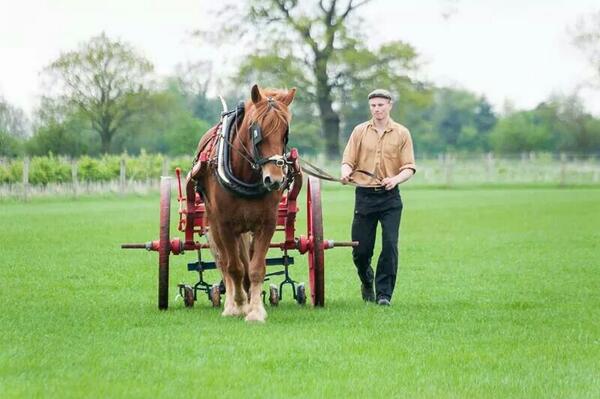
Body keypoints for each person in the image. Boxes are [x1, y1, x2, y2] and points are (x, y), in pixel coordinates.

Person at [340, 89, 416, 306]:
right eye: (373, 106)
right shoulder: (359, 131)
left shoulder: (402, 133)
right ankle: (366, 279)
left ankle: (384, 295)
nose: (377, 109)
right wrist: (345, 172)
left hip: (390, 198)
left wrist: (395, 179)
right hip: (364, 197)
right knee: (361, 250)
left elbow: (409, 167)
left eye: (381, 105)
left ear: (390, 105)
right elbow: (348, 160)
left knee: (390, 245)